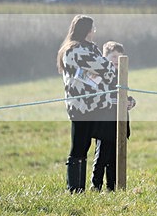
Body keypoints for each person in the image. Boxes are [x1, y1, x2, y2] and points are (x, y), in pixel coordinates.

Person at [57, 15, 116, 193]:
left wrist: (104, 71)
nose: (94, 31)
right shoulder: (75, 51)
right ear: (86, 30)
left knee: (101, 143)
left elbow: (108, 71)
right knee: (80, 146)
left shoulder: (89, 49)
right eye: (93, 28)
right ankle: (75, 189)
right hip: (82, 106)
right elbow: (107, 69)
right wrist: (105, 71)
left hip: (97, 104)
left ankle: (100, 185)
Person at [91, 41, 137, 191]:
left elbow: (125, 96)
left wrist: (131, 102)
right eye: (114, 57)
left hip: (120, 122)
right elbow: (100, 98)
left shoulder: (121, 75)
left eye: (120, 57)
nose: (117, 60)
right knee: (101, 156)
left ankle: (112, 187)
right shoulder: (100, 76)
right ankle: (95, 185)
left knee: (115, 158)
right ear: (105, 58)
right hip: (105, 123)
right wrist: (120, 102)